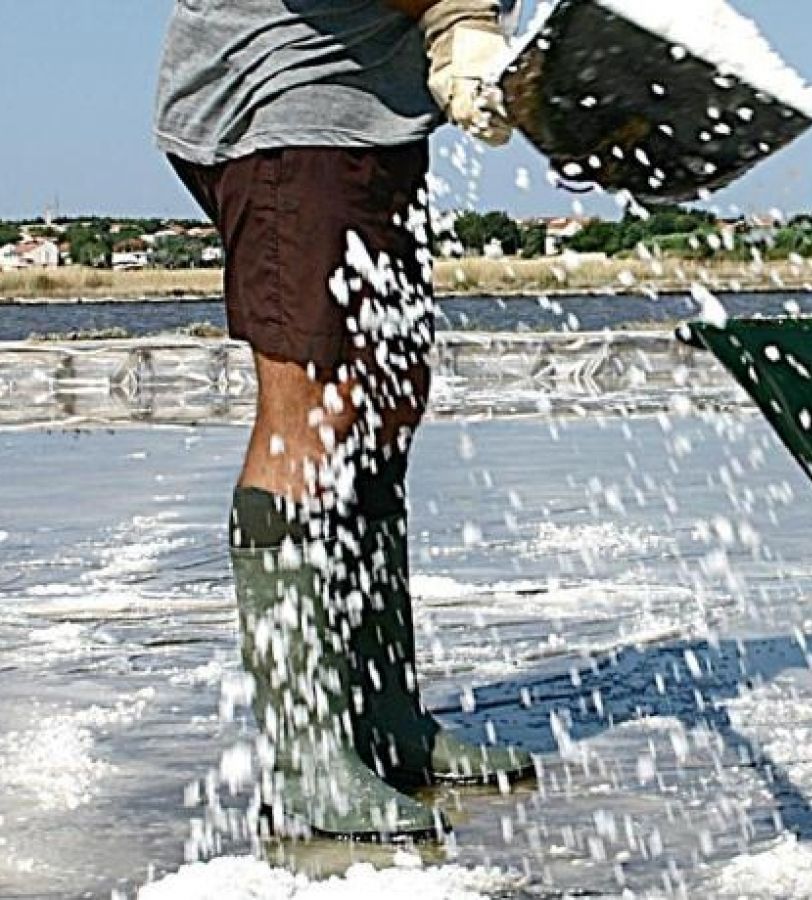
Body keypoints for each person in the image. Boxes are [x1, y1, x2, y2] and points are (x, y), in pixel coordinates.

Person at [154, 0, 530, 842]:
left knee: (388, 401)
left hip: (375, 115)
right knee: (313, 410)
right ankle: (308, 759)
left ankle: (386, 719)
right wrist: (456, 14)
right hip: (283, 105)